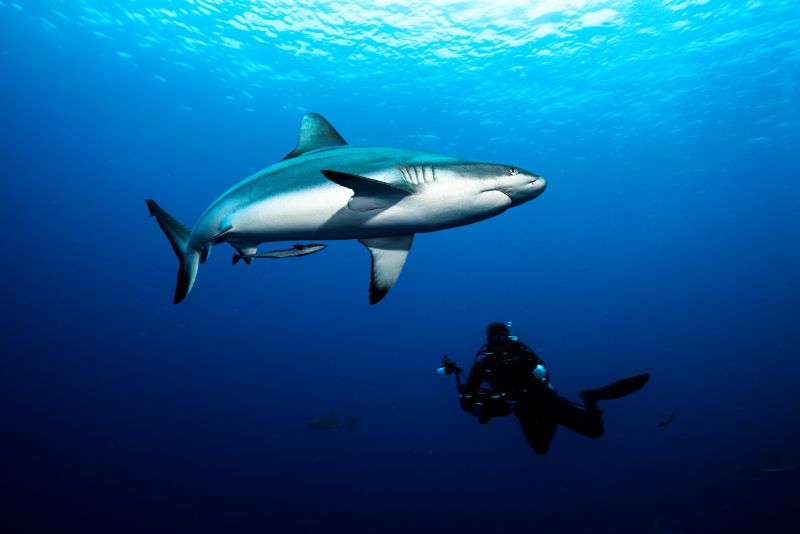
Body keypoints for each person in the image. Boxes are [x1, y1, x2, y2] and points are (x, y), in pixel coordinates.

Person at [450, 322, 650, 455]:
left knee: (595, 431)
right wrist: (475, 404)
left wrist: (517, 393)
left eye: (504, 339)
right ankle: (568, 414)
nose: (501, 344)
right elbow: (471, 392)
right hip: (525, 412)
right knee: (540, 449)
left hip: (547, 402)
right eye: (496, 340)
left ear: (510, 338)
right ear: (489, 342)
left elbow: (541, 377)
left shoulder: (523, 354)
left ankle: (590, 398)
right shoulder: (483, 364)